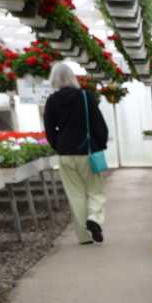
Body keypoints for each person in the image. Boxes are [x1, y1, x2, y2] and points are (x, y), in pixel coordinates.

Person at [43, 64, 108, 245]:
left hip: (65, 153)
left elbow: (49, 130)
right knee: (95, 190)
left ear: (54, 79)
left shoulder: (52, 101)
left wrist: (58, 146)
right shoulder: (85, 97)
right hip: (87, 151)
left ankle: (84, 237)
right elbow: (98, 124)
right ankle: (94, 218)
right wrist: (100, 144)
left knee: (75, 194)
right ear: (73, 77)